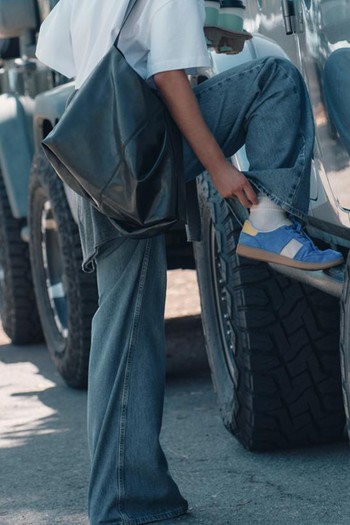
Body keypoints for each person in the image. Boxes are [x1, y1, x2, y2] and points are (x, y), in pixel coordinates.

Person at [36, 1, 344, 523]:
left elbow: (56, 48)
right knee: (274, 79)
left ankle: (135, 495)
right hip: (137, 155)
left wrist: (190, 35)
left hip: (98, 154)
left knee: (122, 332)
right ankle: (269, 224)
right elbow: (167, 76)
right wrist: (220, 167)